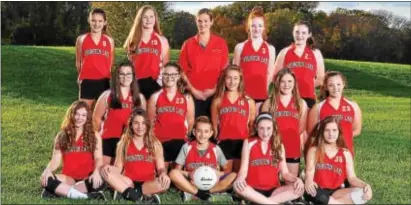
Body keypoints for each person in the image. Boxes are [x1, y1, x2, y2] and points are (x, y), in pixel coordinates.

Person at [100, 108, 170, 204]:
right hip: (128, 182)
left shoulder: (155, 143)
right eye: (136, 123)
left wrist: (163, 174)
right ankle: (141, 196)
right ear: (131, 125)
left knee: (165, 184)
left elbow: (161, 168)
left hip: (147, 183)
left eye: (143, 123)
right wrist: (108, 168)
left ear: (147, 125)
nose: (140, 127)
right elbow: (118, 168)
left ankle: (127, 193)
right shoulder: (123, 143)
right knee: (105, 171)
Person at [233, 113, 304, 204]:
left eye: (269, 128)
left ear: (274, 127)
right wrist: (240, 179)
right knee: (237, 186)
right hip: (252, 189)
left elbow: (285, 173)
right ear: (256, 127)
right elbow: (243, 170)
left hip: (273, 190)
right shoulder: (248, 143)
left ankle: (261, 202)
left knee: (299, 189)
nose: (265, 133)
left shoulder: (279, 146)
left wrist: (297, 179)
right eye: (261, 128)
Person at [40, 101, 105, 200]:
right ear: (71, 115)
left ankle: (59, 191)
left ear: (87, 117)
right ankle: (85, 197)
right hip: (68, 178)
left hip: (86, 178)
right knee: (46, 179)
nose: (79, 118)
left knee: (99, 182)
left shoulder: (94, 135)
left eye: (83, 115)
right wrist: (47, 170)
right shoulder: (62, 135)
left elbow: (98, 158)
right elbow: (55, 160)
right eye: (77, 114)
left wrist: (96, 172)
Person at [304, 116, 372, 204]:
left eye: (334, 130)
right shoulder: (314, 150)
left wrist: (366, 185)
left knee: (363, 192)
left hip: (337, 192)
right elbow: (309, 171)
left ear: (339, 132)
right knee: (317, 194)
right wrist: (308, 181)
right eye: (327, 130)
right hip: (318, 191)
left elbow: (352, 178)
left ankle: (331, 202)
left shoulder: (345, 153)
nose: (331, 134)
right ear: (322, 132)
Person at [169, 116, 237, 202]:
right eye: (199, 131)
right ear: (194, 132)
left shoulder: (216, 149)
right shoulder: (186, 147)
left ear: (211, 133)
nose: (202, 135)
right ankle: (200, 193)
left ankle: (206, 193)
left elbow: (226, 170)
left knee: (235, 175)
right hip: (192, 183)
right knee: (173, 173)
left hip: (212, 184)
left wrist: (218, 174)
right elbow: (177, 170)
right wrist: (189, 174)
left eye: (206, 131)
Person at [179, 8, 229, 118]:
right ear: (196, 22)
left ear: (211, 22)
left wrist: (214, 90)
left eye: (206, 21)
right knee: (194, 130)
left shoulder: (221, 43)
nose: (202, 24)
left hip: (215, 95)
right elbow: (182, 71)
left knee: (213, 130)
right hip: (193, 95)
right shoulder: (188, 44)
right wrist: (194, 90)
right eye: (199, 21)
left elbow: (225, 71)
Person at [93, 61, 146, 165]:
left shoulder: (139, 98)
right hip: (108, 140)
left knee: (122, 174)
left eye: (128, 74)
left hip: (129, 140)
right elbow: (96, 118)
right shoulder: (107, 95)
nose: (125, 77)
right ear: (117, 76)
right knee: (103, 173)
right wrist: (98, 139)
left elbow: (143, 122)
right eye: (122, 74)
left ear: (133, 76)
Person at [261, 68, 308, 177]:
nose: (286, 85)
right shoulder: (269, 103)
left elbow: (301, 127)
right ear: (277, 83)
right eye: (283, 81)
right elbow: (262, 126)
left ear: (294, 83)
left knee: (291, 181)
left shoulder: (301, 103)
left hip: (292, 146)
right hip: (273, 145)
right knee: (271, 180)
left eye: (290, 81)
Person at [147, 62, 195, 170]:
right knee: (161, 177)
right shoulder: (155, 97)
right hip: (160, 142)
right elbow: (149, 122)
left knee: (176, 176)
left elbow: (191, 121)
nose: (169, 78)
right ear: (162, 76)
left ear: (178, 76)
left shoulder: (186, 97)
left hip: (179, 141)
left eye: (173, 75)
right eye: (166, 75)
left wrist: (186, 139)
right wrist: (153, 142)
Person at [210, 65, 256, 173]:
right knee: (226, 177)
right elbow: (214, 125)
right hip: (224, 142)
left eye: (236, 78)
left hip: (242, 142)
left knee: (240, 175)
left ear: (240, 80)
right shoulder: (217, 101)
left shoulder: (248, 101)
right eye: (229, 78)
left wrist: (248, 143)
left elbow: (252, 125)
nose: (232, 81)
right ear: (224, 79)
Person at [307, 71, 362, 155]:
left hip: (346, 151)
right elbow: (311, 131)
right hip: (324, 153)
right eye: (331, 85)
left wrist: (340, 137)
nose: (335, 88)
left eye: (338, 84)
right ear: (326, 87)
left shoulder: (353, 106)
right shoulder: (318, 107)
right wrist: (328, 138)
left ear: (343, 84)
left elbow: (357, 130)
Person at [232, 6, 276, 112]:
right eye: (253, 26)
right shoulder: (240, 47)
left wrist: (264, 88)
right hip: (243, 95)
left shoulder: (270, 48)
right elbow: (234, 73)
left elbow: (270, 72)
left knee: (259, 126)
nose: (257, 29)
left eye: (260, 26)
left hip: (261, 95)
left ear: (264, 27)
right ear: (249, 27)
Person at [274, 21, 325, 109]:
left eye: (303, 33)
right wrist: (288, 87)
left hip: (308, 97)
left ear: (309, 34)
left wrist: (307, 85)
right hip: (288, 97)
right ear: (293, 33)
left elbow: (321, 78)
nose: (300, 36)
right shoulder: (284, 52)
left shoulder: (316, 53)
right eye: (297, 32)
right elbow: (275, 76)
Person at [124, 5, 170, 100]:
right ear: (140, 19)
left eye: (151, 17)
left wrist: (160, 83)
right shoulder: (133, 40)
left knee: (152, 113)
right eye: (145, 17)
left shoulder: (162, 40)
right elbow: (130, 65)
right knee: (138, 113)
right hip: (137, 84)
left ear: (155, 19)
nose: (148, 20)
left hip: (155, 84)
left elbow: (166, 65)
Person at [76, 8, 115, 109]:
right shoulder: (81, 39)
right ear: (89, 21)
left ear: (105, 22)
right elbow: (78, 62)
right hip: (87, 81)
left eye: (100, 21)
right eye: (93, 20)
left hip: (104, 82)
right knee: (84, 112)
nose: (96, 24)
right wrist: (82, 77)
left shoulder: (110, 41)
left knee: (102, 115)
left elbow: (110, 63)